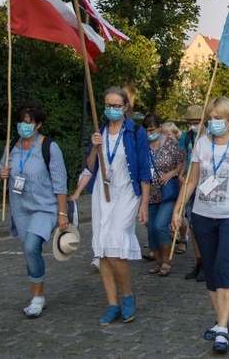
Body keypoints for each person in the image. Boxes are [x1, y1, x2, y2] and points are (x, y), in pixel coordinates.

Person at [171, 96, 229, 353]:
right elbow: (191, 181)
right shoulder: (201, 143)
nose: (214, 123)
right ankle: (220, 319)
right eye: (210, 118)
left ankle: (222, 327)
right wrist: (178, 209)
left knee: (225, 265)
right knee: (211, 269)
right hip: (203, 214)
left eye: (219, 118)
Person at [0, 104, 69, 318]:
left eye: (27, 122)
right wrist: (2, 174)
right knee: (29, 253)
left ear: (38, 124)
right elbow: (1, 171)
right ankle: (38, 294)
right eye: (20, 121)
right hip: (20, 209)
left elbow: (60, 183)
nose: (22, 125)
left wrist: (62, 214)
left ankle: (37, 298)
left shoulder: (49, 147)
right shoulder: (12, 146)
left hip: (44, 207)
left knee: (31, 248)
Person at [87, 87, 150, 325]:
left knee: (114, 249)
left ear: (125, 107)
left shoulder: (136, 132)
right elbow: (90, 165)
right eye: (107, 105)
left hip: (127, 194)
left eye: (116, 106)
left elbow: (144, 169)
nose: (111, 109)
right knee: (103, 250)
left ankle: (128, 295)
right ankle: (112, 304)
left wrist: (144, 202)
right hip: (102, 194)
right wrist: (95, 147)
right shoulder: (100, 129)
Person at [143, 113, 183, 277]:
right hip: (150, 193)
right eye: (146, 130)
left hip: (167, 192)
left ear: (159, 128)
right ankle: (158, 261)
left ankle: (167, 260)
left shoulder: (171, 143)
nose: (149, 133)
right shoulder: (143, 144)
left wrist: (172, 173)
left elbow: (182, 163)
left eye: (152, 129)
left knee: (160, 225)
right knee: (151, 229)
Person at [178, 105, 204, 281]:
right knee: (193, 225)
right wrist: (180, 174)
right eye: (191, 123)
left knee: (205, 227)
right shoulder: (187, 137)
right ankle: (199, 261)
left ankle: (209, 262)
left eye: (197, 123)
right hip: (190, 183)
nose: (193, 126)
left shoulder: (212, 138)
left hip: (207, 185)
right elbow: (183, 158)